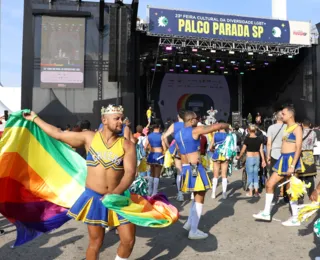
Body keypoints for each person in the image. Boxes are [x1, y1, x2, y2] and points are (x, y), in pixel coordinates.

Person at [23, 104, 136, 260]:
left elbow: (130, 173)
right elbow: (58, 134)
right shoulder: (89, 137)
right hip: (94, 198)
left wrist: (114, 193)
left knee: (128, 241)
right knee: (96, 243)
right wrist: (35, 118)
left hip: (118, 197)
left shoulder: (127, 145)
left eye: (122, 119)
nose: (121, 122)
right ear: (104, 119)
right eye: (117, 118)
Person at [175, 111, 229, 239]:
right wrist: (226, 124)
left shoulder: (178, 134)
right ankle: (193, 231)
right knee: (200, 197)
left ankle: (189, 223)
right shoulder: (195, 130)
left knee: (196, 196)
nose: (198, 119)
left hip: (186, 167)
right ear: (191, 120)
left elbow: (179, 151)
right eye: (196, 118)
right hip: (195, 167)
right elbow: (214, 127)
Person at [253, 105, 305, 227]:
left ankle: (295, 218)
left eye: (283, 113)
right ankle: (266, 212)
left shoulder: (297, 128)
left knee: (291, 189)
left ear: (291, 115)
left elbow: (298, 147)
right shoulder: (286, 127)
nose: (281, 115)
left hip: (292, 159)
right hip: (283, 159)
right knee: (270, 184)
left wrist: (292, 165)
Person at [162, 109, 186, 202]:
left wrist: (169, 147)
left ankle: (180, 194)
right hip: (189, 149)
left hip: (177, 149)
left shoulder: (174, 125)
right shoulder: (189, 125)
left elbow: (164, 136)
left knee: (179, 171)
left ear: (178, 116)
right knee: (191, 170)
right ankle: (193, 193)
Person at [237, 124, 266, 197]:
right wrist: (263, 160)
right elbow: (261, 150)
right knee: (256, 175)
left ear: (248, 130)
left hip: (249, 158)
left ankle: (250, 192)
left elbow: (243, 150)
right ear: (255, 130)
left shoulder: (247, 139)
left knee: (250, 175)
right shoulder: (259, 139)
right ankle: (256, 192)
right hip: (257, 157)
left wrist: (239, 156)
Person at [144, 120, 165, 196]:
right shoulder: (161, 136)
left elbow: (145, 146)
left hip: (151, 155)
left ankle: (149, 190)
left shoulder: (149, 136)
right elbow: (164, 147)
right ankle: (154, 192)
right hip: (159, 155)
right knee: (157, 174)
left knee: (151, 173)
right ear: (159, 127)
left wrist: (147, 152)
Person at [209, 120, 229, 199]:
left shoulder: (215, 135)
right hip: (225, 155)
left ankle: (213, 193)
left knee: (215, 175)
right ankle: (224, 194)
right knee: (224, 175)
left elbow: (210, 147)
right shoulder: (228, 135)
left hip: (216, 155)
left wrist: (213, 149)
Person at [299, 119, 317, 197]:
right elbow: (314, 143)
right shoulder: (313, 132)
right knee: (310, 175)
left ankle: (300, 195)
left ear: (302, 124)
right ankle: (311, 193)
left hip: (301, 153)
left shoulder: (300, 132)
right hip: (309, 153)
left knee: (300, 175)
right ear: (310, 124)